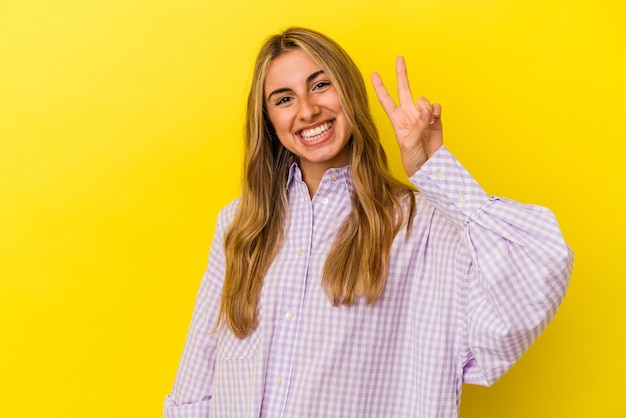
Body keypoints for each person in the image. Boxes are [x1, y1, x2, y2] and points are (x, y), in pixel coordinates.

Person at [164, 27, 573, 417]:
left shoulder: (421, 227)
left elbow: (539, 271)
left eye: (321, 85)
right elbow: (198, 375)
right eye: (284, 98)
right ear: (268, 120)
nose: (307, 110)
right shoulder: (240, 224)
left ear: (350, 94)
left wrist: (435, 172)